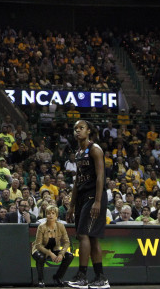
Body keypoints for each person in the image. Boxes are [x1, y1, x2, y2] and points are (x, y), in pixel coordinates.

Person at [65, 121, 108, 289]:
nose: (77, 131)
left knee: (83, 234)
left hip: (93, 196)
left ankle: (82, 276)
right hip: (83, 196)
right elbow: (76, 181)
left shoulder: (95, 149)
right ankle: (100, 277)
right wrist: (72, 205)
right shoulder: (78, 152)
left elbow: (100, 177)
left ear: (89, 131)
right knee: (92, 238)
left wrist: (97, 201)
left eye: (81, 128)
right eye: (75, 128)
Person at [32, 205, 73, 287]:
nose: (50, 215)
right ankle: (41, 280)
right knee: (41, 257)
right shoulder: (41, 226)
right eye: (48, 213)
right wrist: (50, 254)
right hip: (39, 250)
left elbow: (67, 242)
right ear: (46, 215)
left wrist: (61, 254)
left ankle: (57, 277)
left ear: (56, 215)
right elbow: (38, 245)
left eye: (53, 213)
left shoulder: (61, 226)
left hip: (54, 249)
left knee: (69, 256)